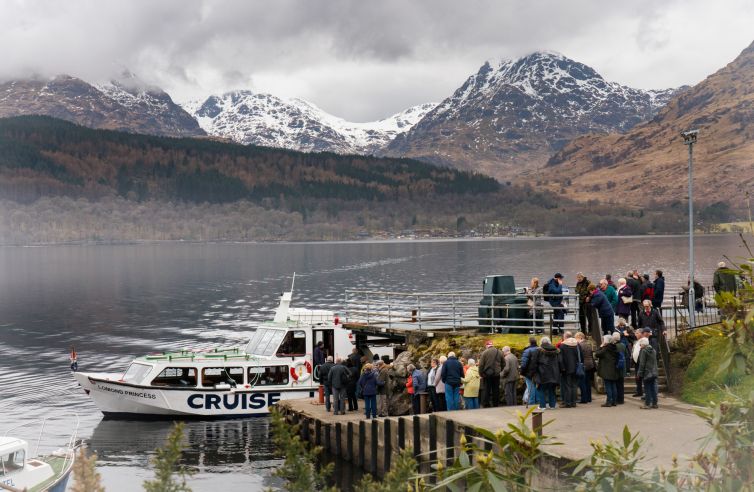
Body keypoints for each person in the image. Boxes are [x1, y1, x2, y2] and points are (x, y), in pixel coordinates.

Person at [531, 336, 560, 410]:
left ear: (541, 342)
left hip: (542, 373)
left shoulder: (538, 351)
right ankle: (552, 405)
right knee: (552, 389)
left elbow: (534, 363)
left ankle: (542, 406)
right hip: (554, 373)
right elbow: (559, 362)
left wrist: (532, 372)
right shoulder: (556, 351)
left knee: (541, 389)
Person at [558, 331, 582, 408]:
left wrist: (562, 368)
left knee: (567, 386)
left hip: (566, 368)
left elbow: (560, 359)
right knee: (574, 385)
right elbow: (581, 356)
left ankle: (567, 402)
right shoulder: (577, 344)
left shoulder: (563, 345)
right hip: (576, 368)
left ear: (565, 337)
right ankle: (573, 402)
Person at [594, 335, 619, 407]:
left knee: (608, 386)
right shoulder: (614, 347)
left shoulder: (605, 348)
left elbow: (597, 354)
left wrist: (601, 346)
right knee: (613, 386)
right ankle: (614, 401)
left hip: (607, 370)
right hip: (614, 369)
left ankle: (609, 402)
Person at [478, 340, 502, 407]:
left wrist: (481, 374)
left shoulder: (484, 353)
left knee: (487, 389)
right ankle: (496, 404)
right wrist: (499, 370)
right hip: (497, 374)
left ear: (487, 346)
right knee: (496, 389)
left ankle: (486, 404)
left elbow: (481, 365)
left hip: (487, 374)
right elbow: (504, 363)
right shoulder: (499, 352)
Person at [637, 337, 659, 409]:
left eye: (641, 344)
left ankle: (647, 404)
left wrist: (639, 373)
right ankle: (655, 403)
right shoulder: (653, 350)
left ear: (643, 344)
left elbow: (642, 363)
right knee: (653, 388)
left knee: (647, 389)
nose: (640, 345)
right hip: (654, 372)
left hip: (647, 372)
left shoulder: (644, 351)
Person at [575, 332, 594, 403]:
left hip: (584, 365)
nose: (575, 339)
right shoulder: (588, 344)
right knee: (588, 382)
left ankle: (584, 399)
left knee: (582, 382)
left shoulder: (580, 345)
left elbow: (579, 356)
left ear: (580, 337)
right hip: (590, 364)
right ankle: (589, 398)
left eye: (576, 338)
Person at [520, 337, 539, 407]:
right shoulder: (539, 349)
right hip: (538, 371)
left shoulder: (527, 351)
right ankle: (537, 401)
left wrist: (521, 372)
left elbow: (524, 363)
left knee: (530, 387)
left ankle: (531, 402)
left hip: (529, 372)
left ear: (529, 342)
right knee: (537, 386)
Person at [631, 328, 648, 399]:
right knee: (637, 377)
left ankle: (646, 393)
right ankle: (639, 391)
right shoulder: (636, 341)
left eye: (637, 333)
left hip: (642, 362)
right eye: (635, 333)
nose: (636, 334)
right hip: (636, 361)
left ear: (641, 333)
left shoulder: (644, 340)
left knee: (643, 377)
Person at [612, 331, 628, 404]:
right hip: (622, 367)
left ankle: (616, 399)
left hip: (616, 367)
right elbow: (627, 355)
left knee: (615, 384)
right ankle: (621, 400)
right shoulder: (623, 345)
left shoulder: (613, 346)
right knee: (621, 384)